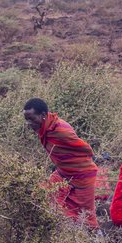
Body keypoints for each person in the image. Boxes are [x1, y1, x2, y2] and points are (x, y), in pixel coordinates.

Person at [24, 98, 99, 229]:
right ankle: (57, 232)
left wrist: (74, 164)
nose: (29, 123)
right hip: (63, 173)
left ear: (43, 115)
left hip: (83, 175)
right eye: (27, 120)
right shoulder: (45, 128)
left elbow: (85, 149)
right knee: (45, 197)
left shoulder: (60, 130)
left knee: (87, 218)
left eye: (31, 118)